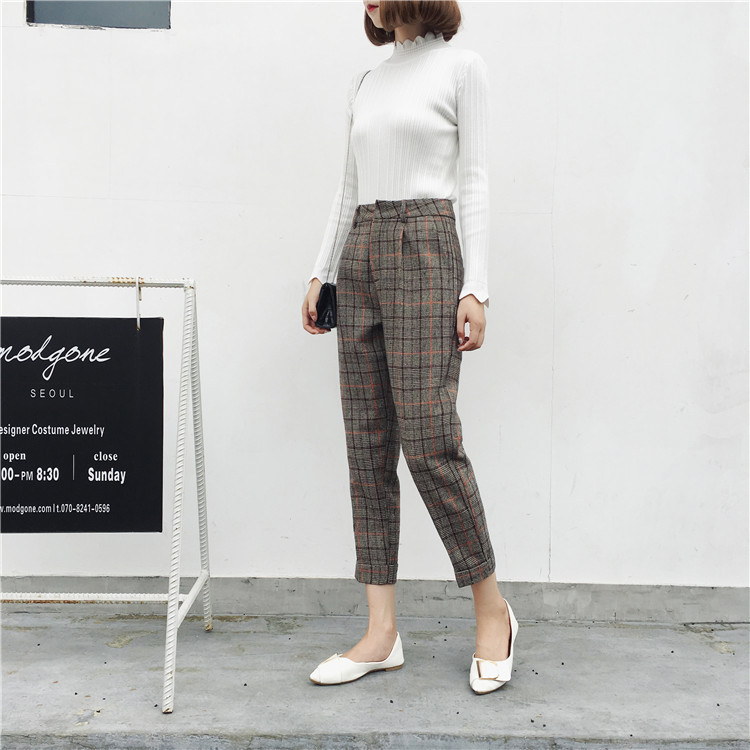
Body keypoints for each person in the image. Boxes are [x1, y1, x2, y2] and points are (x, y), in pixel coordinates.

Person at [301, 0, 518, 694]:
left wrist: (476, 287)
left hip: (427, 247)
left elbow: (474, 179)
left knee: (429, 441)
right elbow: (348, 187)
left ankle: (493, 610)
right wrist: (321, 271)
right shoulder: (365, 83)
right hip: (362, 249)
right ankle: (381, 632)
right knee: (367, 444)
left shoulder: (461, 68)